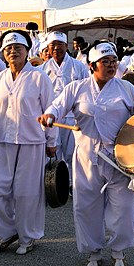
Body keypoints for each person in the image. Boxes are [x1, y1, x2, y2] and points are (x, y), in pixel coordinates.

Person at [41, 43, 134, 266]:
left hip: (120, 157)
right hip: (86, 156)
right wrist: (50, 114)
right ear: (92, 65)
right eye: (106, 62)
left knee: (123, 206)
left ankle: (118, 250)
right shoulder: (77, 87)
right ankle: (93, 250)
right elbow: (56, 106)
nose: (111, 66)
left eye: (114, 61)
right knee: (86, 205)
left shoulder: (125, 88)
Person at [0, 30, 57, 255]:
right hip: (5, 141)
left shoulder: (39, 77)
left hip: (32, 142)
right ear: (3, 53)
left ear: (27, 51)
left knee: (27, 193)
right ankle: (7, 231)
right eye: (8, 49)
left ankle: (28, 235)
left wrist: (51, 141)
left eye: (18, 48)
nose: (13, 52)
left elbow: (51, 111)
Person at [41, 32, 90, 167]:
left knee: (72, 154)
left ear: (66, 46)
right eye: (53, 45)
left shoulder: (78, 66)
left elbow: (87, 92)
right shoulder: (42, 69)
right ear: (48, 48)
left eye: (59, 44)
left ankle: (71, 184)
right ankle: (55, 185)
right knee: (52, 153)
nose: (56, 48)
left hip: (72, 117)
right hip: (52, 117)